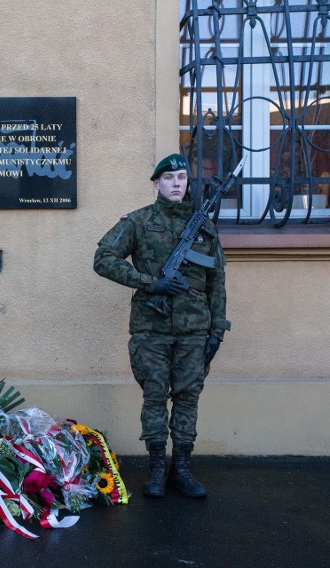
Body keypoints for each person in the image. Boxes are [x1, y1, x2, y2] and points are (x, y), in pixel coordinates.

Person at [93, 153, 230, 498]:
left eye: (182, 177)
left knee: (187, 398)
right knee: (154, 397)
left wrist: (217, 329)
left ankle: (181, 469)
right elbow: (103, 259)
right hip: (150, 328)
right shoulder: (137, 222)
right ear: (157, 183)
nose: (176, 184)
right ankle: (156, 469)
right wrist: (150, 283)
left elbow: (217, 281)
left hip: (194, 329)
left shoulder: (205, 228)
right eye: (169, 178)